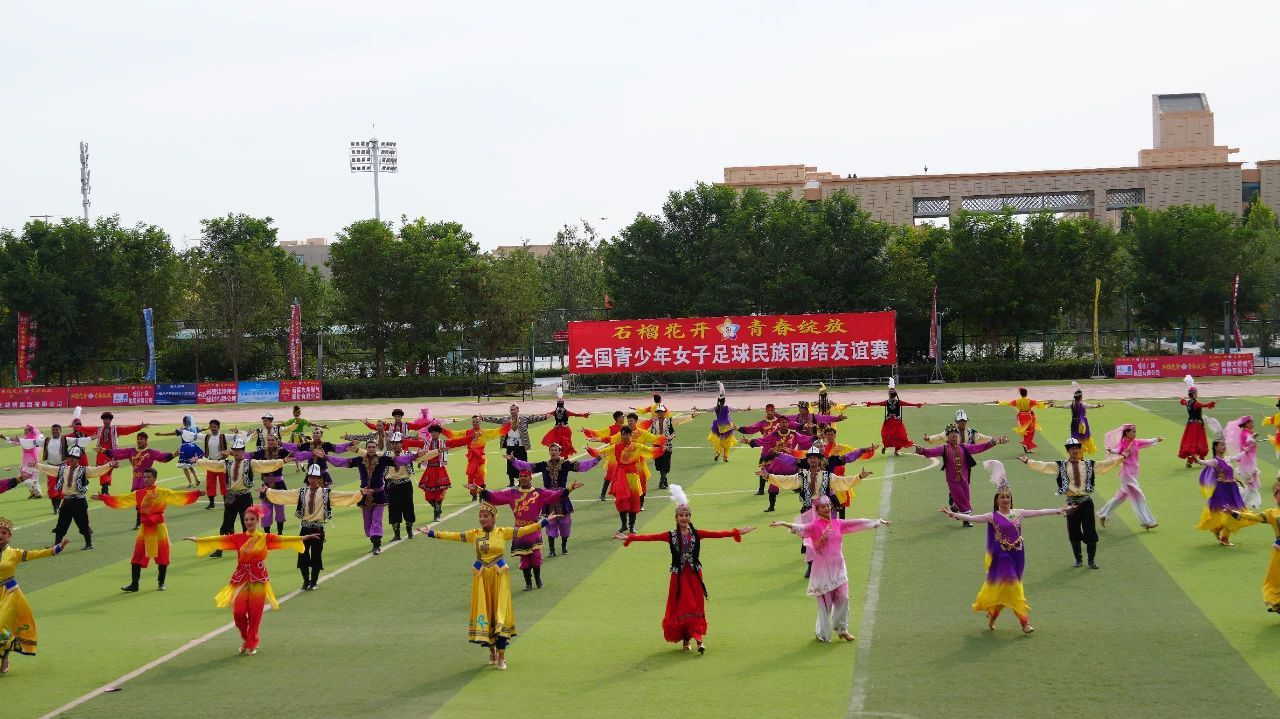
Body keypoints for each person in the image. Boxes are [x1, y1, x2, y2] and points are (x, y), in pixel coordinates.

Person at [939, 460, 1072, 634]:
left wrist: (1059, 510)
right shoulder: (992, 516)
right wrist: (954, 514)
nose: (1005, 499)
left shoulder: (1018, 513)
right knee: (1014, 587)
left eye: (1007, 497)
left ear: (1011, 499)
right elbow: (972, 518)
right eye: (1002, 497)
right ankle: (1024, 622)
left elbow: (1039, 512)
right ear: (997, 500)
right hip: (1002, 557)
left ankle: (993, 614)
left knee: (1004, 590)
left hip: (1017, 555)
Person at [618, 485, 753, 653]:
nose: (684, 518)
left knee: (696, 606)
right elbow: (650, 537)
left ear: (690, 517)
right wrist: (630, 537)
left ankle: (698, 639)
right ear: (676, 518)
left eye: (687, 515)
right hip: (679, 577)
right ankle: (689, 638)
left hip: (695, 575)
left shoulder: (697, 534)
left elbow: (717, 534)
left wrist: (737, 532)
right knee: (685, 606)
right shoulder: (670, 536)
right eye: (681, 515)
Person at [420, 503, 550, 670]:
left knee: (500, 612)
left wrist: (545, 522)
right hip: (481, 578)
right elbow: (455, 535)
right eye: (480, 516)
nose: (482, 519)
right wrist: (432, 533)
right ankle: (492, 652)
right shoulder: (474, 534)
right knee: (485, 612)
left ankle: (501, 657)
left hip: (499, 577)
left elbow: (525, 530)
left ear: (494, 518)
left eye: (486, 516)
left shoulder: (502, 532)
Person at [183, 506, 317, 655]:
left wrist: (303, 538)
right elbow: (219, 540)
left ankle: (252, 643)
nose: (248, 522)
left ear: (258, 521)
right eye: (246, 519)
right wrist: (198, 540)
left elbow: (283, 539)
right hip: (241, 578)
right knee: (239, 613)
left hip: (259, 579)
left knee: (255, 614)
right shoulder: (238, 538)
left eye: (252, 519)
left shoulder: (265, 538)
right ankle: (247, 638)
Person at [770, 496, 888, 642]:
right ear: (817, 510)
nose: (827, 508)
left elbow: (857, 522)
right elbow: (801, 529)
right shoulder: (814, 526)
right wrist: (783, 524)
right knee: (826, 604)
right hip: (823, 570)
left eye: (828, 506)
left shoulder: (838, 523)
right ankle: (822, 633)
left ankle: (842, 629)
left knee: (844, 598)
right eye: (823, 507)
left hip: (839, 567)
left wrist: (877, 522)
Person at [758, 446, 874, 576]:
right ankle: (811, 565)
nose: (813, 460)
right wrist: (768, 476)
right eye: (811, 458)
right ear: (807, 460)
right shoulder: (802, 476)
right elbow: (786, 480)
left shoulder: (828, 476)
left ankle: (829, 565)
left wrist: (859, 477)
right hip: (808, 510)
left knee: (828, 538)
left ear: (819, 460)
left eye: (815, 458)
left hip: (824, 512)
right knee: (809, 539)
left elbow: (842, 482)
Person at [470, 468, 584, 591]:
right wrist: (479, 490)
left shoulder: (539, 493)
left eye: (525, 476)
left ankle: (537, 577)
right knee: (524, 558)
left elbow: (554, 496)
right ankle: (528, 582)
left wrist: (569, 489)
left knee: (536, 557)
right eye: (521, 476)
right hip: (520, 530)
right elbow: (495, 497)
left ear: (530, 478)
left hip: (534, 529)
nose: (523, 478)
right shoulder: (512, 493)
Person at [1018, 438, 1123, 567]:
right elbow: (1044, 466)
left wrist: (1121, 458)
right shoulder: (1061, 465)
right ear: (1068, 451)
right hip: (1071, 504)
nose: (1075, 451)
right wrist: (1028, 461)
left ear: (1080, 450)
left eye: (1077, 448)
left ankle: (1091, 560)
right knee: (1073, 532)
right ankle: (1078, 560)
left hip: (1086, 502)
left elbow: (1105, 464)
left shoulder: (1089, 464)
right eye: (1072, 449)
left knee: (1090, 531)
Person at [93, 468, 201, 592]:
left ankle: (161, 582)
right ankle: (134, 584)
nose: (146, 479)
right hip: (145, 529)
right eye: (144, 477)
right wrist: (104, 498)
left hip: (159, 528)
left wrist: (196, 493)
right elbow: (123, 499)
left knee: (163, 555)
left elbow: (178, 496)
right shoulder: (139, 493)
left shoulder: (163, 492)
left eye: (149, 477)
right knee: (138, 555)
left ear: (155, 478)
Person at [264, 465, 369, 590]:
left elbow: (342, 496)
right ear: (307, 478)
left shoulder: (325, 493)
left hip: (318, 529)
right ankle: (306, 580)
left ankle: (313, 582)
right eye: (310, 477)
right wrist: (268, 491)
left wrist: (359, 493)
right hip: (304, 528)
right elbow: (286, 494)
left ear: (319, 479)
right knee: (302, 555)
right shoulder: (302, 492)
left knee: (316, 556)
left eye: (314, 477)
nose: (312, 480)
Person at [194, 436, 288, 558]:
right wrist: (198, 461)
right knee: (226, 522)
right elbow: (213, 464)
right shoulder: (227, 464)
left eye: (239, 450)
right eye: (235, 450)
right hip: (231, 496)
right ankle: (220, 548)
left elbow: (266, 464)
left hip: (244, 496)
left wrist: (282, 461)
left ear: (243, 451)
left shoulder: (250, 463)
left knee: (247, 523)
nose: (236, 452)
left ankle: (249, 547)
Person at [0, 517, 70, 674]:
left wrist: (56, 548)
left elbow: (35, 554)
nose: (0, 535)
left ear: (9, 536)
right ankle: (5, 652)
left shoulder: (14, 553)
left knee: (1, 626)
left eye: (4, 532)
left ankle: (4, 656)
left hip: (9, 594)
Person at [326, 441, 421, 555]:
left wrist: (414, 456)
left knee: (377, 520)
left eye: (373, 447)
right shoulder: (359, 460)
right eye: (369, 447)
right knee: (367, 523)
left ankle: (376, 545)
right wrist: (326, 457)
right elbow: (343, 462)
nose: (371, 449)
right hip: (364, 495)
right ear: (366, 448)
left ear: (376, 448)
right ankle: (374, 541)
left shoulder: (383, 459)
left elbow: (399, 460)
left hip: (379, 493)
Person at [510, 445, 600, 556]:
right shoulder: (543, 465)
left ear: (559, 452)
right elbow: (528, 466)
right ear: (549, 452)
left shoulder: (566, 464)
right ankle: (552, 550)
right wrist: (514, 460)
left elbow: (582, 465)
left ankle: (564, 547)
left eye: (555, 450)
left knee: (565, 522)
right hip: (548, 497)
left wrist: (596, 460)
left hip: (562, 496)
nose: (553, 452)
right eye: (551, 450)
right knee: (550, 522)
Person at [914, 425, 1007, 526]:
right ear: (947, 436)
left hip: (964, 478)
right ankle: (966, 521)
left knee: (966, 498)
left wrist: (993, 442)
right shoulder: (944, 449)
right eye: (951, 433)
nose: (954, 435)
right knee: (963, 501)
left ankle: (955, 507)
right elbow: (931, 452)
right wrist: (921, 450)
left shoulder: (964, 447)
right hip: (953, 481)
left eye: (955, 433)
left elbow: (978, 448)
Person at [589, 426, 665, 535]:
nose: (625, 436)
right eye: (623, 434)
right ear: (621, 435)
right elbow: (603, 452)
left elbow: (649, 451)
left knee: (634, 500)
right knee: (621, 501)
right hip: (621, 476)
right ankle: (624, 525)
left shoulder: (637, 446)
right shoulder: (616, 447)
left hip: (633, 477)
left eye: (627, 434)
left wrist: (662, 449)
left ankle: (632, 526)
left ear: (630, 435)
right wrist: (591, 450)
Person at [35, 447, 114, 550]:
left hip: (79, 501)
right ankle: (57, 545)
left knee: (83, 523)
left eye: (74, 458)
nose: (71, 459)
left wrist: (109, 465)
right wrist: (36, 465)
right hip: (67, 500)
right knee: (61, 523)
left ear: (78, 459)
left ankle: (89, 543)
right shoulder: (63, 469)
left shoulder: (84, 470)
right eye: (70, 457)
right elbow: (50, 469)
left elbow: (97, 470)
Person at [101, 432, 176, 530]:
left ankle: (143, 521)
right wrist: (105, 451)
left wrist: (174, 455)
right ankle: (140, 521)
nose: (139, 441)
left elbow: (162, 456)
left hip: (146, 480)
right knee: (138, 502)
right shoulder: (131, 451)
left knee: (146, 502)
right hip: (136, 480)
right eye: (138, 439)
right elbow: (119, 453)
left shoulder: (150, 452)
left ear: (146, 441)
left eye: (141, 439)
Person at [1097, 424, 1163, 530]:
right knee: (1139, 496)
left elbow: (1146, 441)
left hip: (1134, 473)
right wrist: (1111, 450)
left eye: (1135, 431)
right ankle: (1147, 521)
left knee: (1120, 497)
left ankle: (1103, 514)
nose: (1134, 434)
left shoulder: (1135, 442)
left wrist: (1156, 439)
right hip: (1127, 474)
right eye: (1133, 432)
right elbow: (1117, 450)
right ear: (1126, 432)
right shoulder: (1123, 444)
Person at [1229, 478, 1280, 613]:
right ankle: (1276, 602)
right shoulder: (1271, 513)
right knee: (1275, 579)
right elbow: (1255, 517)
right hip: (1279, 552)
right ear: (1275, 497)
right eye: (1278, 494)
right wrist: (1237, 514)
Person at [1192, 435, 1249, 546]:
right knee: (1225, 513)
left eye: (1224, 445)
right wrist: (1198, 459)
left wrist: (1246, 450)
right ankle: (1223, 537)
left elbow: (1237, 457)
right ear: (1216, 447)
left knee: (1234, 512)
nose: (1224, 447)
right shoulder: (1215, 461)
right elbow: (1204, 462)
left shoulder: (1227, 459)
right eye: (1221, 445)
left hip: (1232, 489)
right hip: (1221, 490)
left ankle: (1218, 530)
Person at [749, 423, 818, 513]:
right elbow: (763, 440)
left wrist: (815, 437)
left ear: (788, 425)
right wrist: (750, 442)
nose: (784, 425)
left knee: (802, 483)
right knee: (773, 483)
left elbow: (804, 439)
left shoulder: (794, 434)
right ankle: (771, 506)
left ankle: (807, 504)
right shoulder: (774, 435)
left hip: (790, 463)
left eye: (785, 423)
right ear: (779, 426)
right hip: (778, 463)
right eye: (782, 423)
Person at [481, 405, 550, 487]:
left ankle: (522, 481)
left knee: (523, 462)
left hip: (521, 444)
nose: (513, 411)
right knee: (510, 463)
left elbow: (534, 418)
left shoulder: (523, 419)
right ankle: (511, 481)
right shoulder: (506, 419)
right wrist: (483, 418)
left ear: (518, 410)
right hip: (510, 444)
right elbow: (495, 420)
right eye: (511, 409)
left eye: (514, 409)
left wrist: (545, 417)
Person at [444, 416, 511, 501]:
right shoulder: (467, 432)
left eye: (477, 422)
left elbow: (497, 431)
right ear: (472, 422)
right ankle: (473, 494)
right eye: (473, 422)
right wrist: (441, 430)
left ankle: (482, 495)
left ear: (480, 422)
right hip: (471, 458)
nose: (475, 423)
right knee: (471, 478)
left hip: (480, 458)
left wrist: (509, 424)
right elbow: (455, 434)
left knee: (481, 475)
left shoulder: (485, 432)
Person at [83, 411, 146, 494]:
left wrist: (139, 427)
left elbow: (127, 430)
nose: (105, 421)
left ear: (110, 420)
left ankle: (105, 490)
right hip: (101, 454)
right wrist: (77, 427)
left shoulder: (115, 429)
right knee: (103, 471)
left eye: (107, 419)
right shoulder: (99, 429)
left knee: (109, 472)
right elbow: (87, 429)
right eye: (104, 419)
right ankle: (104, 490)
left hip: (112, 454)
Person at [416, 424, 469, 521]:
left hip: (439, 470)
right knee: (428, 496)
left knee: (439, 492)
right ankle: (438, 509)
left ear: (439, 433)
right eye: (432, 432)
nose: (433, 433)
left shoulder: (444, 443)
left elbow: (458, 442)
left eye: (436, 432)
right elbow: (413, 443)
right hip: (429, 470)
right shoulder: (426, 443)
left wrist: (471, 437)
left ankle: (436, 514)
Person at [863, 378, 923, 455]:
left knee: (887, 435)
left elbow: (878, 403)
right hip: (896, 422)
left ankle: (885, 446)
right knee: (900, 436)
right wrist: (916, 405)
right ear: (895, 395)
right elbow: (908, 404)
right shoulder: (898, 402)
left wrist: (870, 403)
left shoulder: (887, 402)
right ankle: (896, 450)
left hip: (889, 422)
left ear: (889, 395)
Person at [693, 384, 749, 463]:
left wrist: (698, 409)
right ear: (724, 400)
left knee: (718, 441)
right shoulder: (727, 407)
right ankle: (725, 457)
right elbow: (737, 409)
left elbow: (707, 410)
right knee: (728, 442)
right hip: (727, 427)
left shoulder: (716, 407)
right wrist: (746, 409)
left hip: (717, 426)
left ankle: (718, 452)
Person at [283, 428, 357, 487]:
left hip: (323, 474)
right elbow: (295, 447)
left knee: (325, 495)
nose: (315, 434)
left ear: (321, 435)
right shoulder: (306, 445)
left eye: (317, 433)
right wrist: (281, 444)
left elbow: (338, 448)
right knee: (311, 495)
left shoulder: (326, 445)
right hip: (311, 475)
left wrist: (350, 443)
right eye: (314, 433)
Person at [647, 405, 698, 489]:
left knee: (665, 463)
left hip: (667, 445)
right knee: (658, 465)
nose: (659, 413)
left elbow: (675, 428)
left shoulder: (669, 421)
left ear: (664, 412)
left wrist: (669, 438)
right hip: (656, 446)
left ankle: (661, 482)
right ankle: (665, 479)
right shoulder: (653, 422)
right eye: (658, 412)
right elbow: (642, 423)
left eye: (661, 412)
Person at [251, 435, 293, 535]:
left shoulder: (282, 451)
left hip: (279, 485)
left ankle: (280, 533)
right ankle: (267, 534)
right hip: (266, 485)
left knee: (280, 510)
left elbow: (294, 454)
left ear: (277, 441)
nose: (270, 442)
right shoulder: (261, 452)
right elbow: (249, 456)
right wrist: (234, 453)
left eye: (272, 440)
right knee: (266, 511)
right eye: (268, 440)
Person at [1049, 382, 1103, 455]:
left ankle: (1079, 452)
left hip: (1074, 423)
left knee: (1076, 438)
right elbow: (1091, 406)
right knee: (1083, 438)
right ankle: (1081, 451)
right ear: (1080, 397)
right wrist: (1098, 406)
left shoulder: (1072, 404)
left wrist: (1055, 406)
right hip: (1082, 424)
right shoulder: (1082, 404)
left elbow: (1063, 406)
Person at [993, 387, 1048, 453]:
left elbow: (1008, 403)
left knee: (1025, 432)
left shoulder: (1017, 401)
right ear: (1026, 394)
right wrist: (1046, 403)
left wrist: (999, 402)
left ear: (1020, 394)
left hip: (1021, 417)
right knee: (1031, 431)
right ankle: (1025, 444)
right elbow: (1038, 404)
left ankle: (1027, 448)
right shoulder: (1029, 401)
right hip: (1028, 417)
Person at [1178, 375, 1217, 468]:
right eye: (1196, 393)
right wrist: (1211, 404)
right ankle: (1201, 460)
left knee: (1191, 442)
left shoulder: (1188, 402)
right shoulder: (1195, 403)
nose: (1197, 394)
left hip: (1190, 425)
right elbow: (1203, 405)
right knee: (1200, 441)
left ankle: (1190, 461)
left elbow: (1184, 402)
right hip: (1197, 425)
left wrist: (1183, 400)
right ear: (1193, 394)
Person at [586, 411, 625, 500]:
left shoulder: (625, 428)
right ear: (618, 418)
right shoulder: (611, 428)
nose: (624, 418)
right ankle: (603, 494)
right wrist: (588, 432)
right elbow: (601, 433)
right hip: (614, 455)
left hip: (625, 455)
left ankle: (622, 493)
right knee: (610, 475)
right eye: (622, 416)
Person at [1225, 416, 1262, 509]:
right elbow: (1245, 445)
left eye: (1253, 422)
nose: (1253, 424)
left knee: (1252, 484)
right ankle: (1248, 503)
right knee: (1251, 484)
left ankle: (1245, 502)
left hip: (1250, 462)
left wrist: (1252, 439)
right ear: (1246, 424)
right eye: (1251, 423)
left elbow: (1249, 444)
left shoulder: (1248, 433)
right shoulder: (1244, 434)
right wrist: (1252, 439)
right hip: (1246, 463)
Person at [540, 386, 589, 455]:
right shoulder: (566, 412)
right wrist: (584, 415)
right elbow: (576, 414)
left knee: (557, 443)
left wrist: (538, 416)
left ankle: (559, 455)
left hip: (557, 429)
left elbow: (546, 415)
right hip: (565, 429)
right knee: (566, 444)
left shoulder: (555, 412)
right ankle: (564, 456)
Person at [279, 405, 326, 472]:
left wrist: (273, 426)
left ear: (298, 413)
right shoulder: (301, 420)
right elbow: (312, 424)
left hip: (294, 437)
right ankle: (300, 465)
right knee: (300, 451)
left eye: (297, 412)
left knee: (295, 451)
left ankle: (298, 467)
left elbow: (283, 424)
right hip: (301, 437)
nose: (296, 414)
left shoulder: (292, 421)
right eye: (295, 412)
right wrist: (321, 426)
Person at [0, 426, 42, 499]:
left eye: (26, 430)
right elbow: (16, 442)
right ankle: (33, 492)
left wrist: (5, 438)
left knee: (25, 478)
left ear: (30, 431)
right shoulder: (26, 439)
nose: (24, 431)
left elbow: (17, 441)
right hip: (26, 461)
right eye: (24, 430)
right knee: (24, 478)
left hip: (31, 461)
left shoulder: (31, 440)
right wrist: (5, 438)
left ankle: (37, 492)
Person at [201, 419, 230, 509]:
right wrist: (183, 432)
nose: (213, 428)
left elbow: (237, 437)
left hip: (221, 463)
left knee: (224, 483)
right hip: (211, 463)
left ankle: (226, 503)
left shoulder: (224, 436)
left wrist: (245, 434)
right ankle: (211, 503)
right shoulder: (207, 437)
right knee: (210, 483)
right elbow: (194, 436)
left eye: (215, 427)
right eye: (211, 427)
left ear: (218, 427)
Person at [922, 410, 992, 446]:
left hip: (966, 458)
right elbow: (939, 437)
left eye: (964, 421)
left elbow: (983, 438)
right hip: (953, 458)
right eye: (960, 421)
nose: (962, 423)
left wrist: (994, 440)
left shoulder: (971, 432)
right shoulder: (950, 432)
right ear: (956, 421)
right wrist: (929, 438)